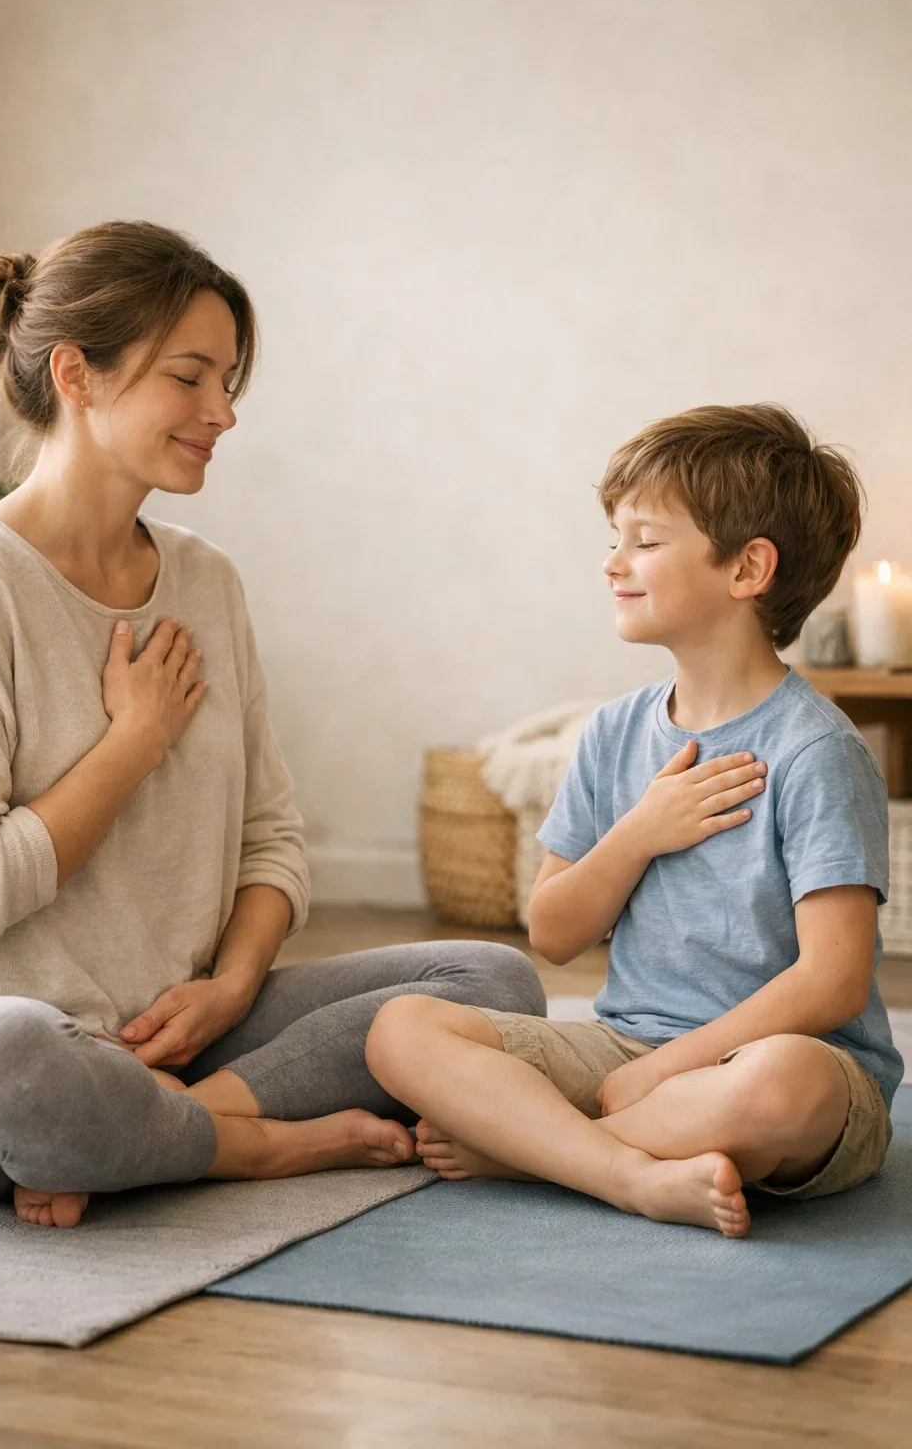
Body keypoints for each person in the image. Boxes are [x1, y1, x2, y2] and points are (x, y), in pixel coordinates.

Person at [0, 220, 544, 1229]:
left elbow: (270, 840)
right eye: (189, 378)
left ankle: (152, 1132)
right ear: (78, 374)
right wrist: (132, 744)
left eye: (228, 380)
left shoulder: (205, 581)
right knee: (8, 1074)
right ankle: (248, 1145)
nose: (222, 412)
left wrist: (232, 989)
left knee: (489, 982)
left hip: (180, 1028)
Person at [366, 404, 904, 1237]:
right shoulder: (616, 732)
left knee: (782, 1085)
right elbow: (550, 931)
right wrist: (642, 831)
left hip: (783, 1069)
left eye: (645, 542)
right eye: (614, 539)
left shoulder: (817, 751)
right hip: (626, 1050)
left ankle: (536, 1152)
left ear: (748, 568)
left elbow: (831, 981)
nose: (615, 563)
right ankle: (626, 1172)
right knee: (403, 1028)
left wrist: (680, 1067)